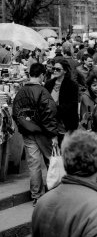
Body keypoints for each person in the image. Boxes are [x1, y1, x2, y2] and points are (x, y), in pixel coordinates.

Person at [12, 63, 59, 206]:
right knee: (51, 161)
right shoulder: (43, 91)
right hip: (43, 132)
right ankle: (55, 193)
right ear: (42, 75)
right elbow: (49, 113)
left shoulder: (20, 92)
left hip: (28, 132)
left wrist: (25, 125)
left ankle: (37, 196)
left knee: (33, 164)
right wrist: (53, 134)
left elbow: (16, 113)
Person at [44, 59, 79, 133]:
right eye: (54, 69)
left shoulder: (72, 85)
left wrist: (56, 110)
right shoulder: (48, 84)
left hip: (66, 122)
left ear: (65, 71)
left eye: (58, 69)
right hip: (50, 122)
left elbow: (73, 104)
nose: (55, 71)